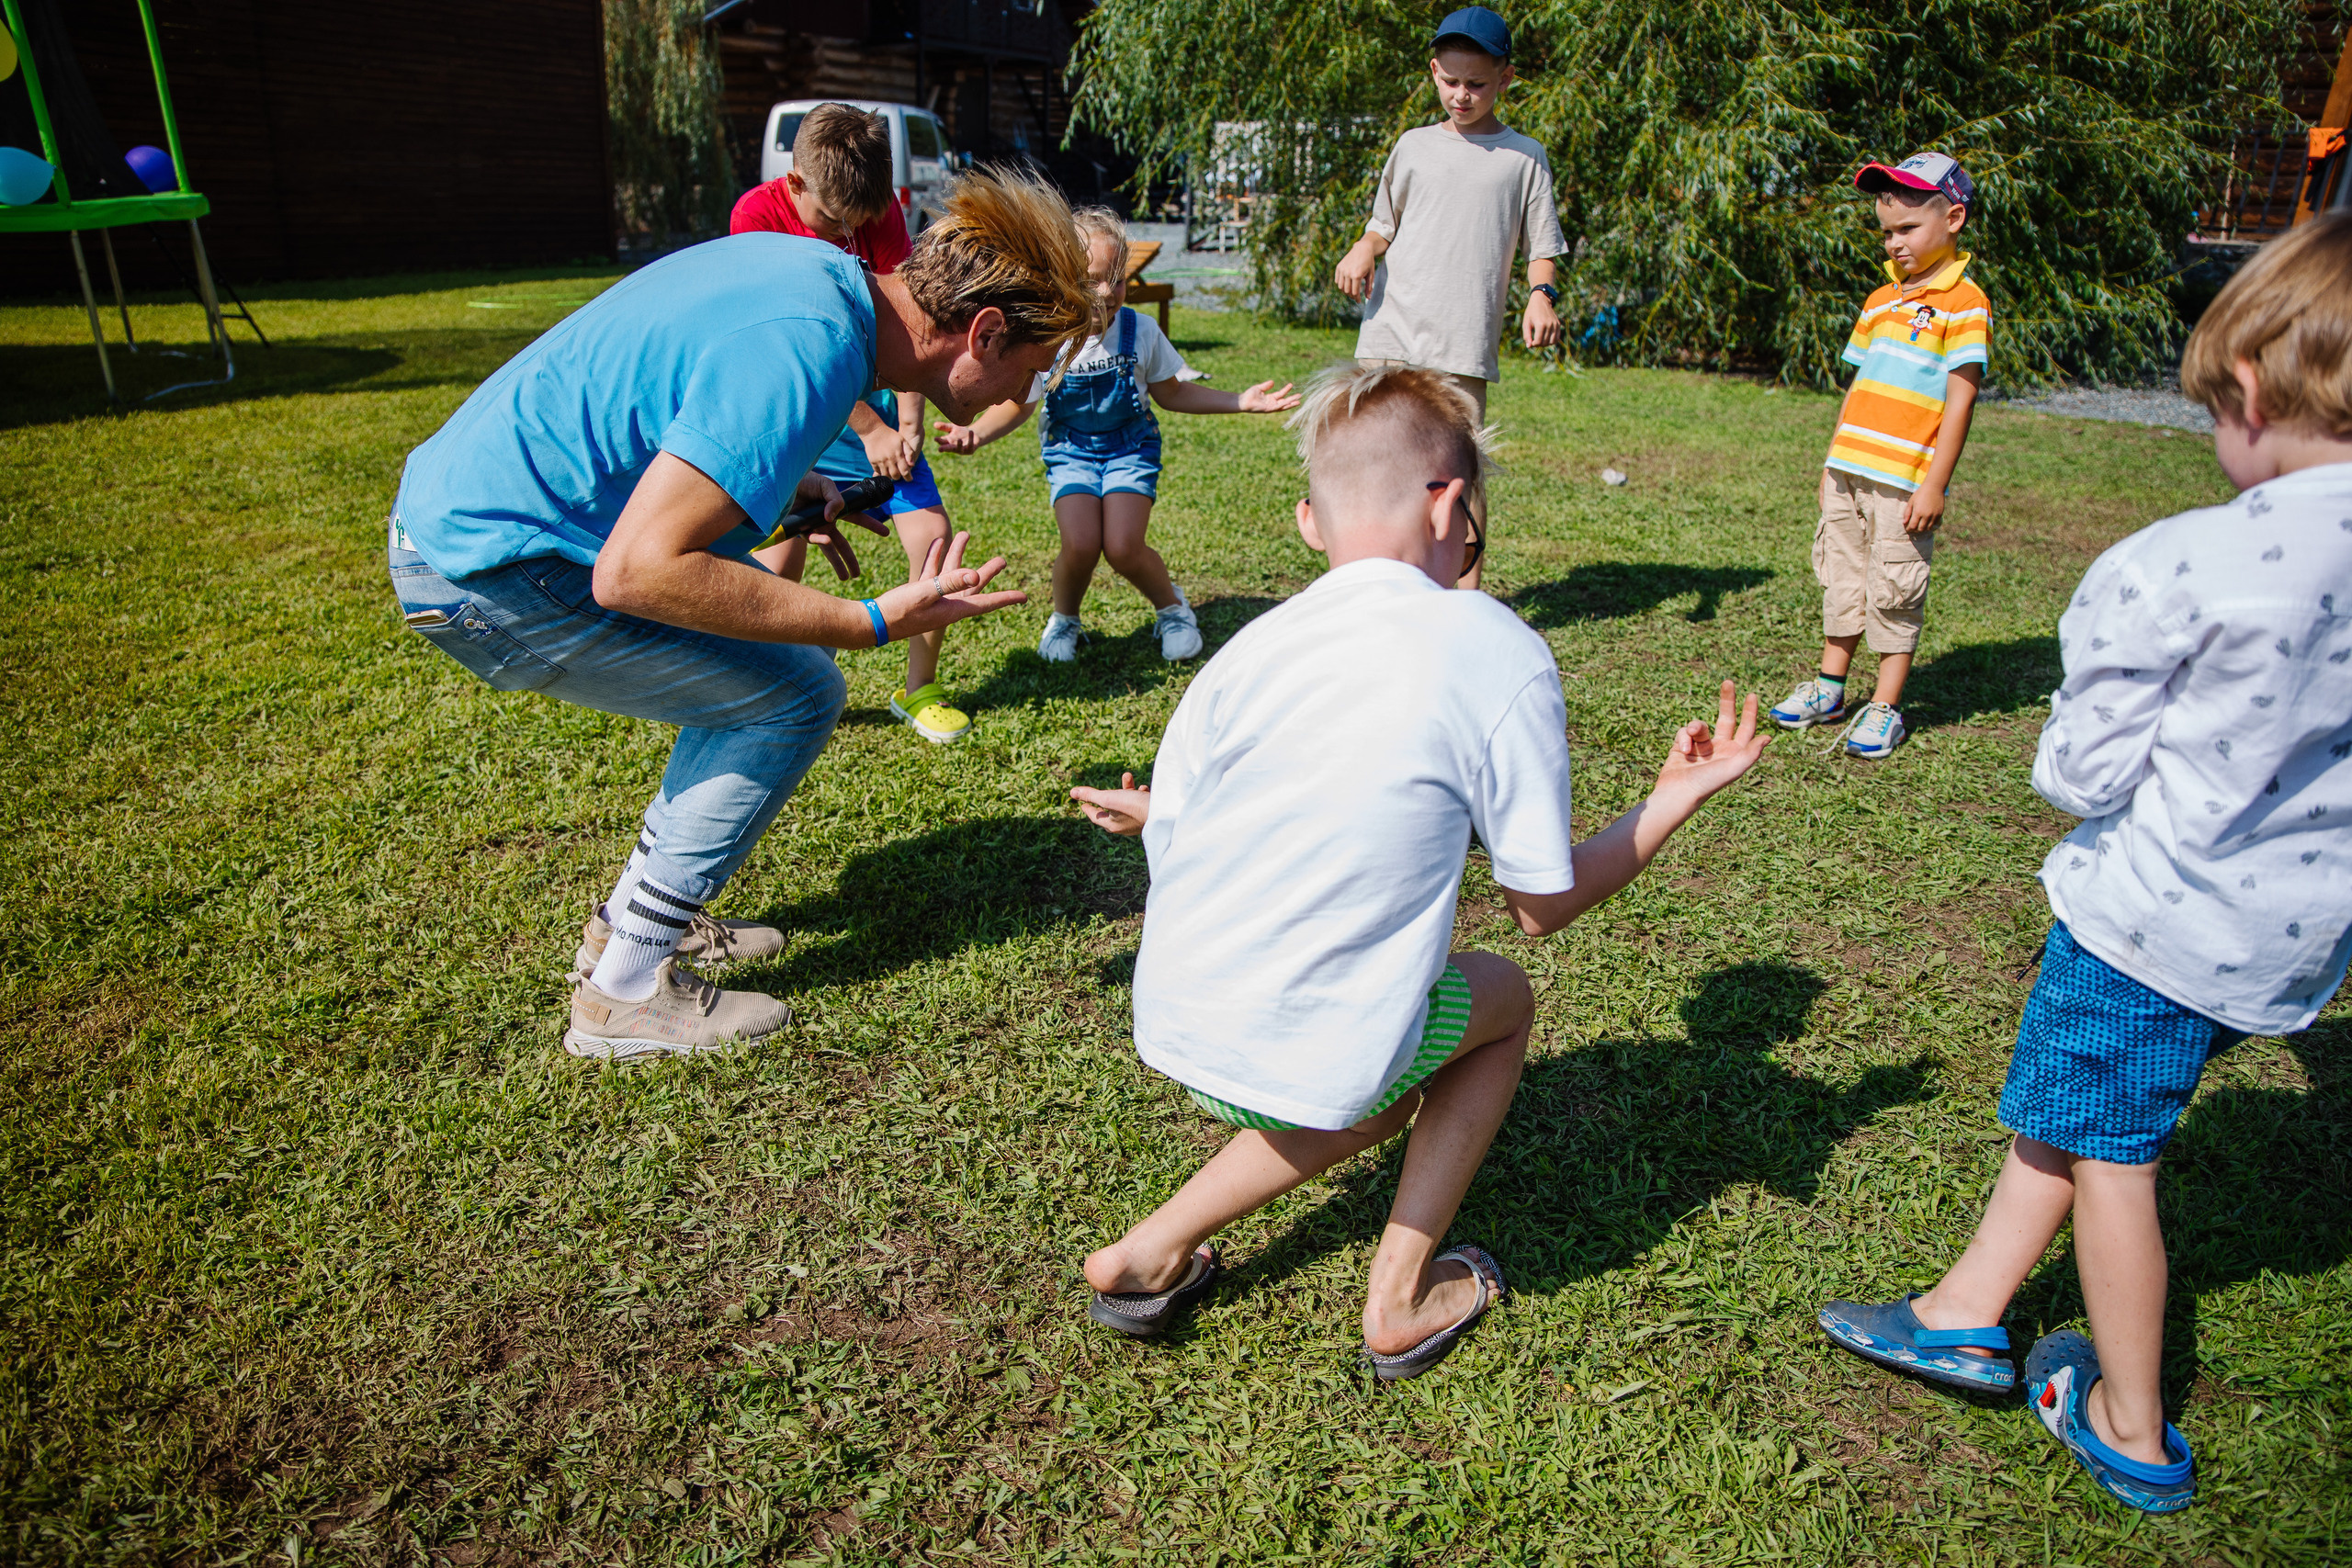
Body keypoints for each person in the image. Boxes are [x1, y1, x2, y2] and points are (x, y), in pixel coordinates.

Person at [1068, 365, 1769, 1375]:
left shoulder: (1248, 649)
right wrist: (1667, 803)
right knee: (1497, 999)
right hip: (1307, 1045)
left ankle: (1148, 1250)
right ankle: (1399, 1296)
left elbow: (1178, 825)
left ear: (1312, 522)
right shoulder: (1493, 645)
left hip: (1177, 1017)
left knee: (1379, 1064)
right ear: (1449, 502)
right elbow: (1541, 905)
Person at [1816, 214, 2352, 1515]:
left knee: (2114, 1148)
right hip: (2288, 944)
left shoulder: (2180, 563)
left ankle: (2130, 1416)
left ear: (2244, 391)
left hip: (2155, 919)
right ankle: (1964, 1306)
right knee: (2076, 1101)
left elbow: (2082, 774)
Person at [387, 170, 1094, 1059]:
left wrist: (786, 492)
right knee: (792, 693)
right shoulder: (811, 342)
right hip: (483, 572)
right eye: (1024, 372)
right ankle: (624, 995)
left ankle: (640, 930)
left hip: (459, 527)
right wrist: (863, 620)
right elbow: (639, 571)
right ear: (982, 329)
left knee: (770, 684)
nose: (1013, 402)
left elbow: (669, 402)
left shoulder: (809, 274)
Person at [935, 207, 1300, 663]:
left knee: (1124, 547)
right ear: (1061, 277)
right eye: (1091, 279)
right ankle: (1065, 619)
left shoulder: (1140, 330)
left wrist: (1239, 401)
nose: (1107, 292)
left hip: (1130, 449)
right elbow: (1019, 405)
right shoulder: (1049, 340)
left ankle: (1173, 609)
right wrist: (976, 434)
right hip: (1070, 452)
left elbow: (1172, 393)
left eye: (1118, 278)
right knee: (1082, 544)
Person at [731, 104, 978, 745]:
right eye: (832, 219)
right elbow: (797, 354)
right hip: (805, 415)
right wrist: (870, 428)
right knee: (776, 561)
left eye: (859, 221)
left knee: (933, 539)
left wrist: (910, 419)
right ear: (794, 184)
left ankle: (918, 688)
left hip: (882, 418)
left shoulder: (880, 209)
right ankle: (778, 688)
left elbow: (907, 323)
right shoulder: (756, 218)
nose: (849, 232)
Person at [1330, 6, 1566, 590]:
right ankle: (1371, 582)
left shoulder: (1525, 158)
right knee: (1377, 462)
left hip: (1463, 342)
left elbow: (1543, 247)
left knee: (1460, 471)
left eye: (1477, 84)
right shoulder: (1411, 146)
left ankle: (1465, 599)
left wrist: (1541, 296)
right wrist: (1363, 248)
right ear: (1434, 72)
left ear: (1505, 79)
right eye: (1451, 81)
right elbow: (1383, 223)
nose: (1462, 95)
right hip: (1390, 332)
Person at [1768, 152, 1990, 758]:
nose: (1895, 243)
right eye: (1887, 231)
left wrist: (1934, 483)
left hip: (1903, 479)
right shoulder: (1878, 300)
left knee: (1894, 587)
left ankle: (1885, 706)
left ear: (1954, 218)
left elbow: (1960, 400)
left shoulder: (1964, 303)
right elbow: (1856, 389)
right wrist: (1829, 463)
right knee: (1841, 578)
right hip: (1849, 469)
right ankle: (1830, 686)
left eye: (1908, 229)